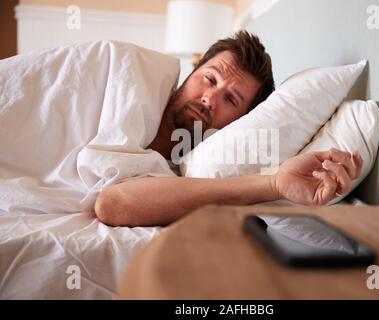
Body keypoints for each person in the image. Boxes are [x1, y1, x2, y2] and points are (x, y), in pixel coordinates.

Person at [94, 31, 363, 227]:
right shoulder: (130, 80)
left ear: (240, 120)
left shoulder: (183, 171)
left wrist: (274, 184)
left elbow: (112, 204)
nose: (210, 99)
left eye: (231, 99)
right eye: (209, 79)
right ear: (192, 70)